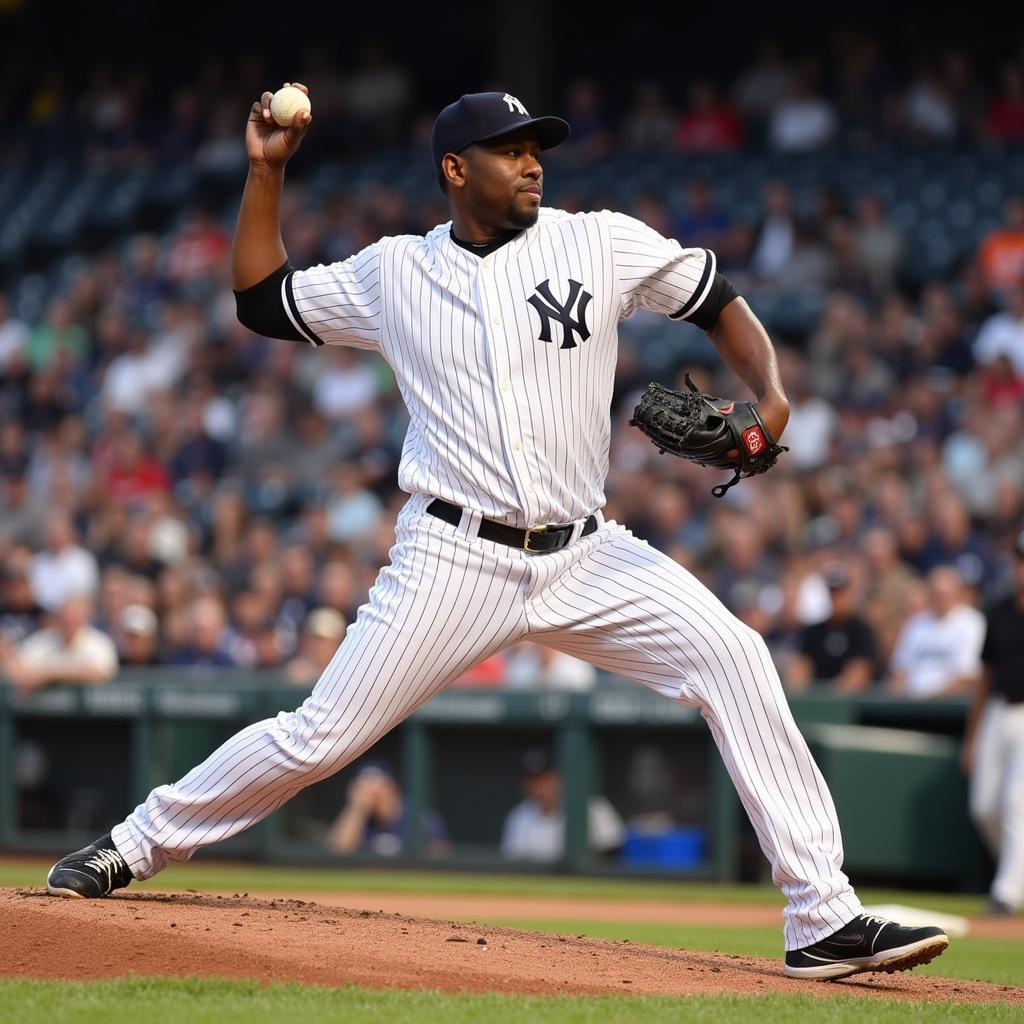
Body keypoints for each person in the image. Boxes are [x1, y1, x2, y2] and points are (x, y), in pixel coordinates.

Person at [46, 85, 948, 981]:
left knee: (737, 658)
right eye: (511, 150)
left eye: (536, 148)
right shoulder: (393, 272)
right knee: (319, 736)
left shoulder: (595, 238)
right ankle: (137, 843)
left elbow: (715, 298)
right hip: (454, 555)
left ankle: (821, 917)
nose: (531, 163)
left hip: (589, 551)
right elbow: (260, 299)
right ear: (454, 168)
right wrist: (264, 174)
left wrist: (774, 402)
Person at [962, 532, 1024, 916]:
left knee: (1015, 802)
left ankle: (1006, 891)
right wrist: (971, 738)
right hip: (999, 711)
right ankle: (1016, 875)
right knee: (984, 806)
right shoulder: (999, 609)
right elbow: (984, 677)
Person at [500, 749, 624, 862]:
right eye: (531, 781)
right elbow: (512, 863)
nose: (537, 788)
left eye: (543, 779)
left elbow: (614, 854)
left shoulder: (594, 806)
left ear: (558, 778)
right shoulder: (519, 816)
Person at [887, 567, 985, 699]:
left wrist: (930, 697)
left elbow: (967, 676)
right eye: (936, 594)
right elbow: (898, 671)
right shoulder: (915, 623)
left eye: (945, 594)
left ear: (957, 593)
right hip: (912, 704)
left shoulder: (972, 623)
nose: (940, 599)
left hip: (950, 706)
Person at [787, 564, 880, 694]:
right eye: (833, 592)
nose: (837, 598)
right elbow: (800, 668)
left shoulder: (861, 630)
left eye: (840, 592)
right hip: (815, 699)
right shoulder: (813, 631)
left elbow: (860, 671)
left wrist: (830, 696)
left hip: (850, 706)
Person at [325, 761, 449, 858]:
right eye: (363, 788)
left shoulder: (418, 815)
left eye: (378, 785)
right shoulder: (360, 819)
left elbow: (439, 857)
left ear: (392, 787)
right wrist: (357, 808)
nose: (371, 793)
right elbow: (338, 854)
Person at [1, 595, 118, 694]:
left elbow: (99, 673)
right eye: (65, 619)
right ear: (57, 619)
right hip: (42, 715)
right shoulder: (44, 639)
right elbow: (16, 667)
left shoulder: (99, 642)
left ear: (85, 620)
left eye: (74, 620)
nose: (69, 624)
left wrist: (47, 676)